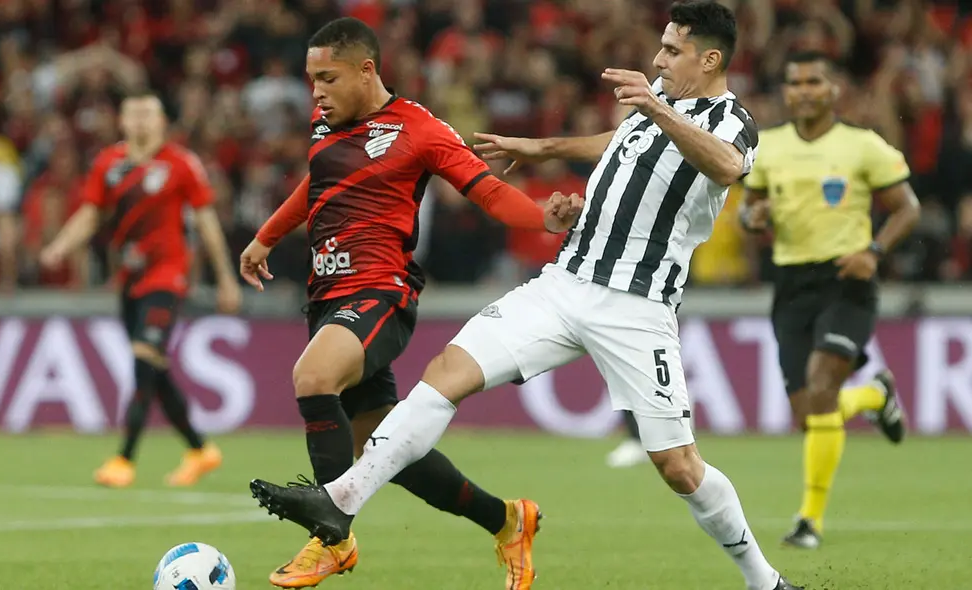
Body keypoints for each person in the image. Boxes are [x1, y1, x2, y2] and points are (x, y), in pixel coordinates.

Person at [247, 3, 801, 589]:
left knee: (678, 466)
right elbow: (614, 143)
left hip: (637, 308)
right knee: (446, 372)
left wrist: (657, 106)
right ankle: (341, 502)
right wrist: (540, 148)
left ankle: (763, 580)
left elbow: (727, 167)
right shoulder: (650, 116)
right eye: (660, 47)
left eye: (672, 51)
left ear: (710, 58)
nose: (658, 59)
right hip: (564, 285)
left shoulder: (729, 119)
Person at [237, 17, 581, 590]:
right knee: (388, 449)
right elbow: (316, 183)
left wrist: (541, 217)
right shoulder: (326, 127)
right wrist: (267, 235)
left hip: (380, 292)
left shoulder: (417, 128)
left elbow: (485, 188)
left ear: (366, 70)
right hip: (326, 296)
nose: (316, 91)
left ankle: (331, 538)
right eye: (310, 79)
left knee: (313, 376)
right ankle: (508, 520)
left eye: (327, 77)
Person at [740, 51, 920, 549]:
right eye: (794, 82)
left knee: (821, 390)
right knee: (809, 415)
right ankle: (874, 396)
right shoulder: (768, 147)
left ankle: (808, 521)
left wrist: (875, 251)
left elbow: (908, 208)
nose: (803, 90)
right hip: (792, 285)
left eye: (813, 81)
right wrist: (751, 219)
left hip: (848, 279)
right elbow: (751, 208)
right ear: (786, 91)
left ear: (833, 89)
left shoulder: (863, 146)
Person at [40, 90, 242, 488]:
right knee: (153, 368)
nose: (140, 121)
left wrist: (225, 278)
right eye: (133, 114)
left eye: (148, 113)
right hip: (129, 281)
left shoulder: (181, 163)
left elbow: (206, 222)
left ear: (163, 121)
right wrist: (60, 246)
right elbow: (91, 213)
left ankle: (123, 458)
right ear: (122, 121)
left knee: (144, 356)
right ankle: (201, 450)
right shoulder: (109, 164)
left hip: (167, 277)